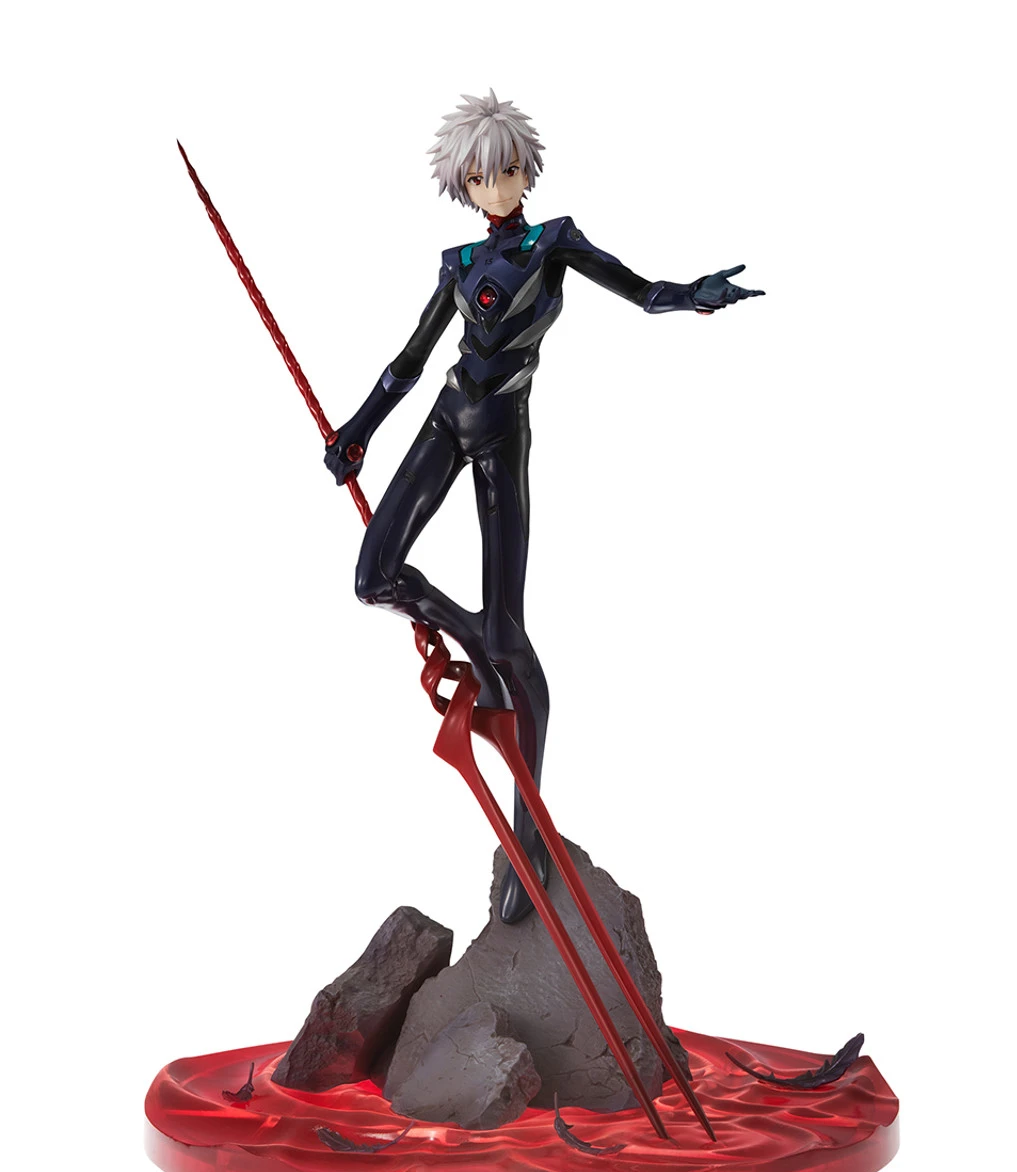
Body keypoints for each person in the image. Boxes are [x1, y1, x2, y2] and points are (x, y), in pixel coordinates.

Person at [325, 90, 763, 924]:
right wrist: (358, 431)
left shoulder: (553, 242)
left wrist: (692, 294)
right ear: (463, 184)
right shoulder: (458, 263)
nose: (496, 186)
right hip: (446, 418)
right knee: (374, 578)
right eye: (479, 177)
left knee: (510, 633)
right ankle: (477, 639)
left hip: (503, 434)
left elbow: (641, 291)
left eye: (507, 171)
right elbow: (409, 361)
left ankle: (529, 833)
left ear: (526, 170)